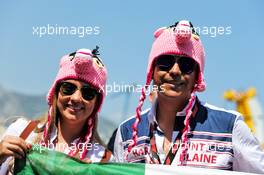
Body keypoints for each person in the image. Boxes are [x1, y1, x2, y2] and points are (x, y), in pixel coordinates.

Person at [109, 20, 264, 173]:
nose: (175, 71)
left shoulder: (230, 127)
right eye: (165, 61)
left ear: (197, 76)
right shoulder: (127, 131)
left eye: (186, 64)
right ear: (152, 71)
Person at [0, 47, 113, 174]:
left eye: (88, 93)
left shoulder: (103, 160)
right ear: (56, 92)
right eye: (68, 88)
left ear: (97, 102)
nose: (76, 98)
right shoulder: (21, 132)